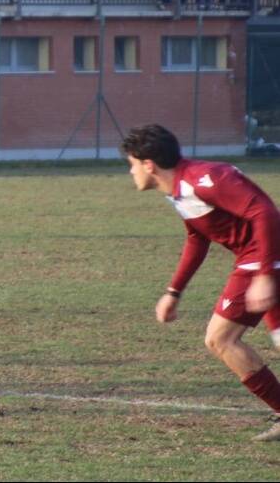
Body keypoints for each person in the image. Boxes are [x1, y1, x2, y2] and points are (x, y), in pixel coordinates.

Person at [119, 124, 280, 442]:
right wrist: (174, 292)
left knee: (221, 339)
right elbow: (197, 237)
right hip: (263, 259)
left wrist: (264, 274)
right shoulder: (179, 190)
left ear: (148, 165)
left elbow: (264, 212)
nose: (131, 172)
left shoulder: (204, 179)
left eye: (132, 164)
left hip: (262, 258)